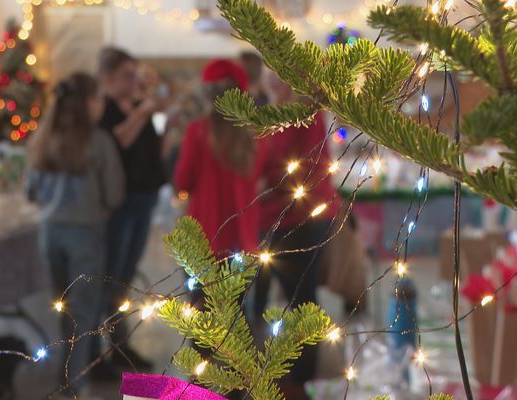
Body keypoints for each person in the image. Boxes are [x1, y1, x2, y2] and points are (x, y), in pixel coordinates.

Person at [26, 73, 124, 398]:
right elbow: (114, 194)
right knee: (82, 315)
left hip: (49, 233)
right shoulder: (99, 141)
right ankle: (73, 384)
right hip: (86, 234)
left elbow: (30, 191)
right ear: (86, 104)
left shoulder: (43, 138)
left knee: (58, 310)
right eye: (98, 98)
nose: (102, 104)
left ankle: (57, 375)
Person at [255, 69, 340, 399]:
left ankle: (301, 379)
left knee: (301, 300)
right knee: (264, 299)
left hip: (302, 218)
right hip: (266, 219)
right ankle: (267, 370)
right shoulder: (266, 115)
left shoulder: (307, 115)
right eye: (267, 76)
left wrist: (271, 184)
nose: (272, 82)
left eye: (279, 76)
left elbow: (311, 166)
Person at [95, 48, 165, 373]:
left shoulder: (137, 108)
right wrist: (144, 113)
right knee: (114, 277)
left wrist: (169, 124)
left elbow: (151, 150)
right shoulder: (104, 111)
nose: (134, 80)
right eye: (127, 74)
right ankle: (110, 349)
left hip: (144, 199)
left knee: (126, 278)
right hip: (120, 205)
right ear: (107, 78)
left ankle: (121, 347)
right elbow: (118, 141)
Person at [174, 59, 264, 255]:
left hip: (204, 238)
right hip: (243, 240)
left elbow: (183, 181)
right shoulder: (254, 133)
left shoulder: (197, 131)